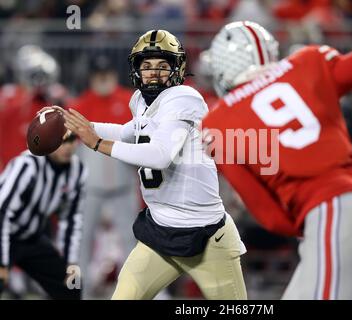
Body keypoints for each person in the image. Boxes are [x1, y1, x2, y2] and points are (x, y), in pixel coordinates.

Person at [201, 21, 352, 299]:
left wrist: (310, 223)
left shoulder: (217, 122)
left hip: (332, 221)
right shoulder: (307, 62)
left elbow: (272, 217)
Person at [52, 29, 247, 300]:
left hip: (205, 234)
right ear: (136, 70)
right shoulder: (141, 101)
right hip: (159, 231)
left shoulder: (183, 99)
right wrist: (82, 126)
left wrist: (97, 143)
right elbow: (127, 132)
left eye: (162, 66)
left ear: (177, 69)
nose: (153, 73)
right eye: (147, 66)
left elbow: (160, 155)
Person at [67, 55, 139, 298]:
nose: (103, 78)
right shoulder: (80, 104)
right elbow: (73, 149)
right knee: (82, 240)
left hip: (123, 183)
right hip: (91, 187)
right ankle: (80, 292)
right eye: (99, 75)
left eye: (106, 73)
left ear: (114, 74)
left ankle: (132, 292)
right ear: (91, 77)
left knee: (131, 239)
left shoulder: (129, 100)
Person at [0, 132, 86, 299]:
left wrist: (71, 263)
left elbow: (71, 220)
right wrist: (2, 263)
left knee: (72, 285)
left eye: (71, 140)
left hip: (32, 238)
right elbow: (2, 212)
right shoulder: (27, 164)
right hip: (4, 235)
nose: (67, 147)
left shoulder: (77, 170)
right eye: (61, 141)